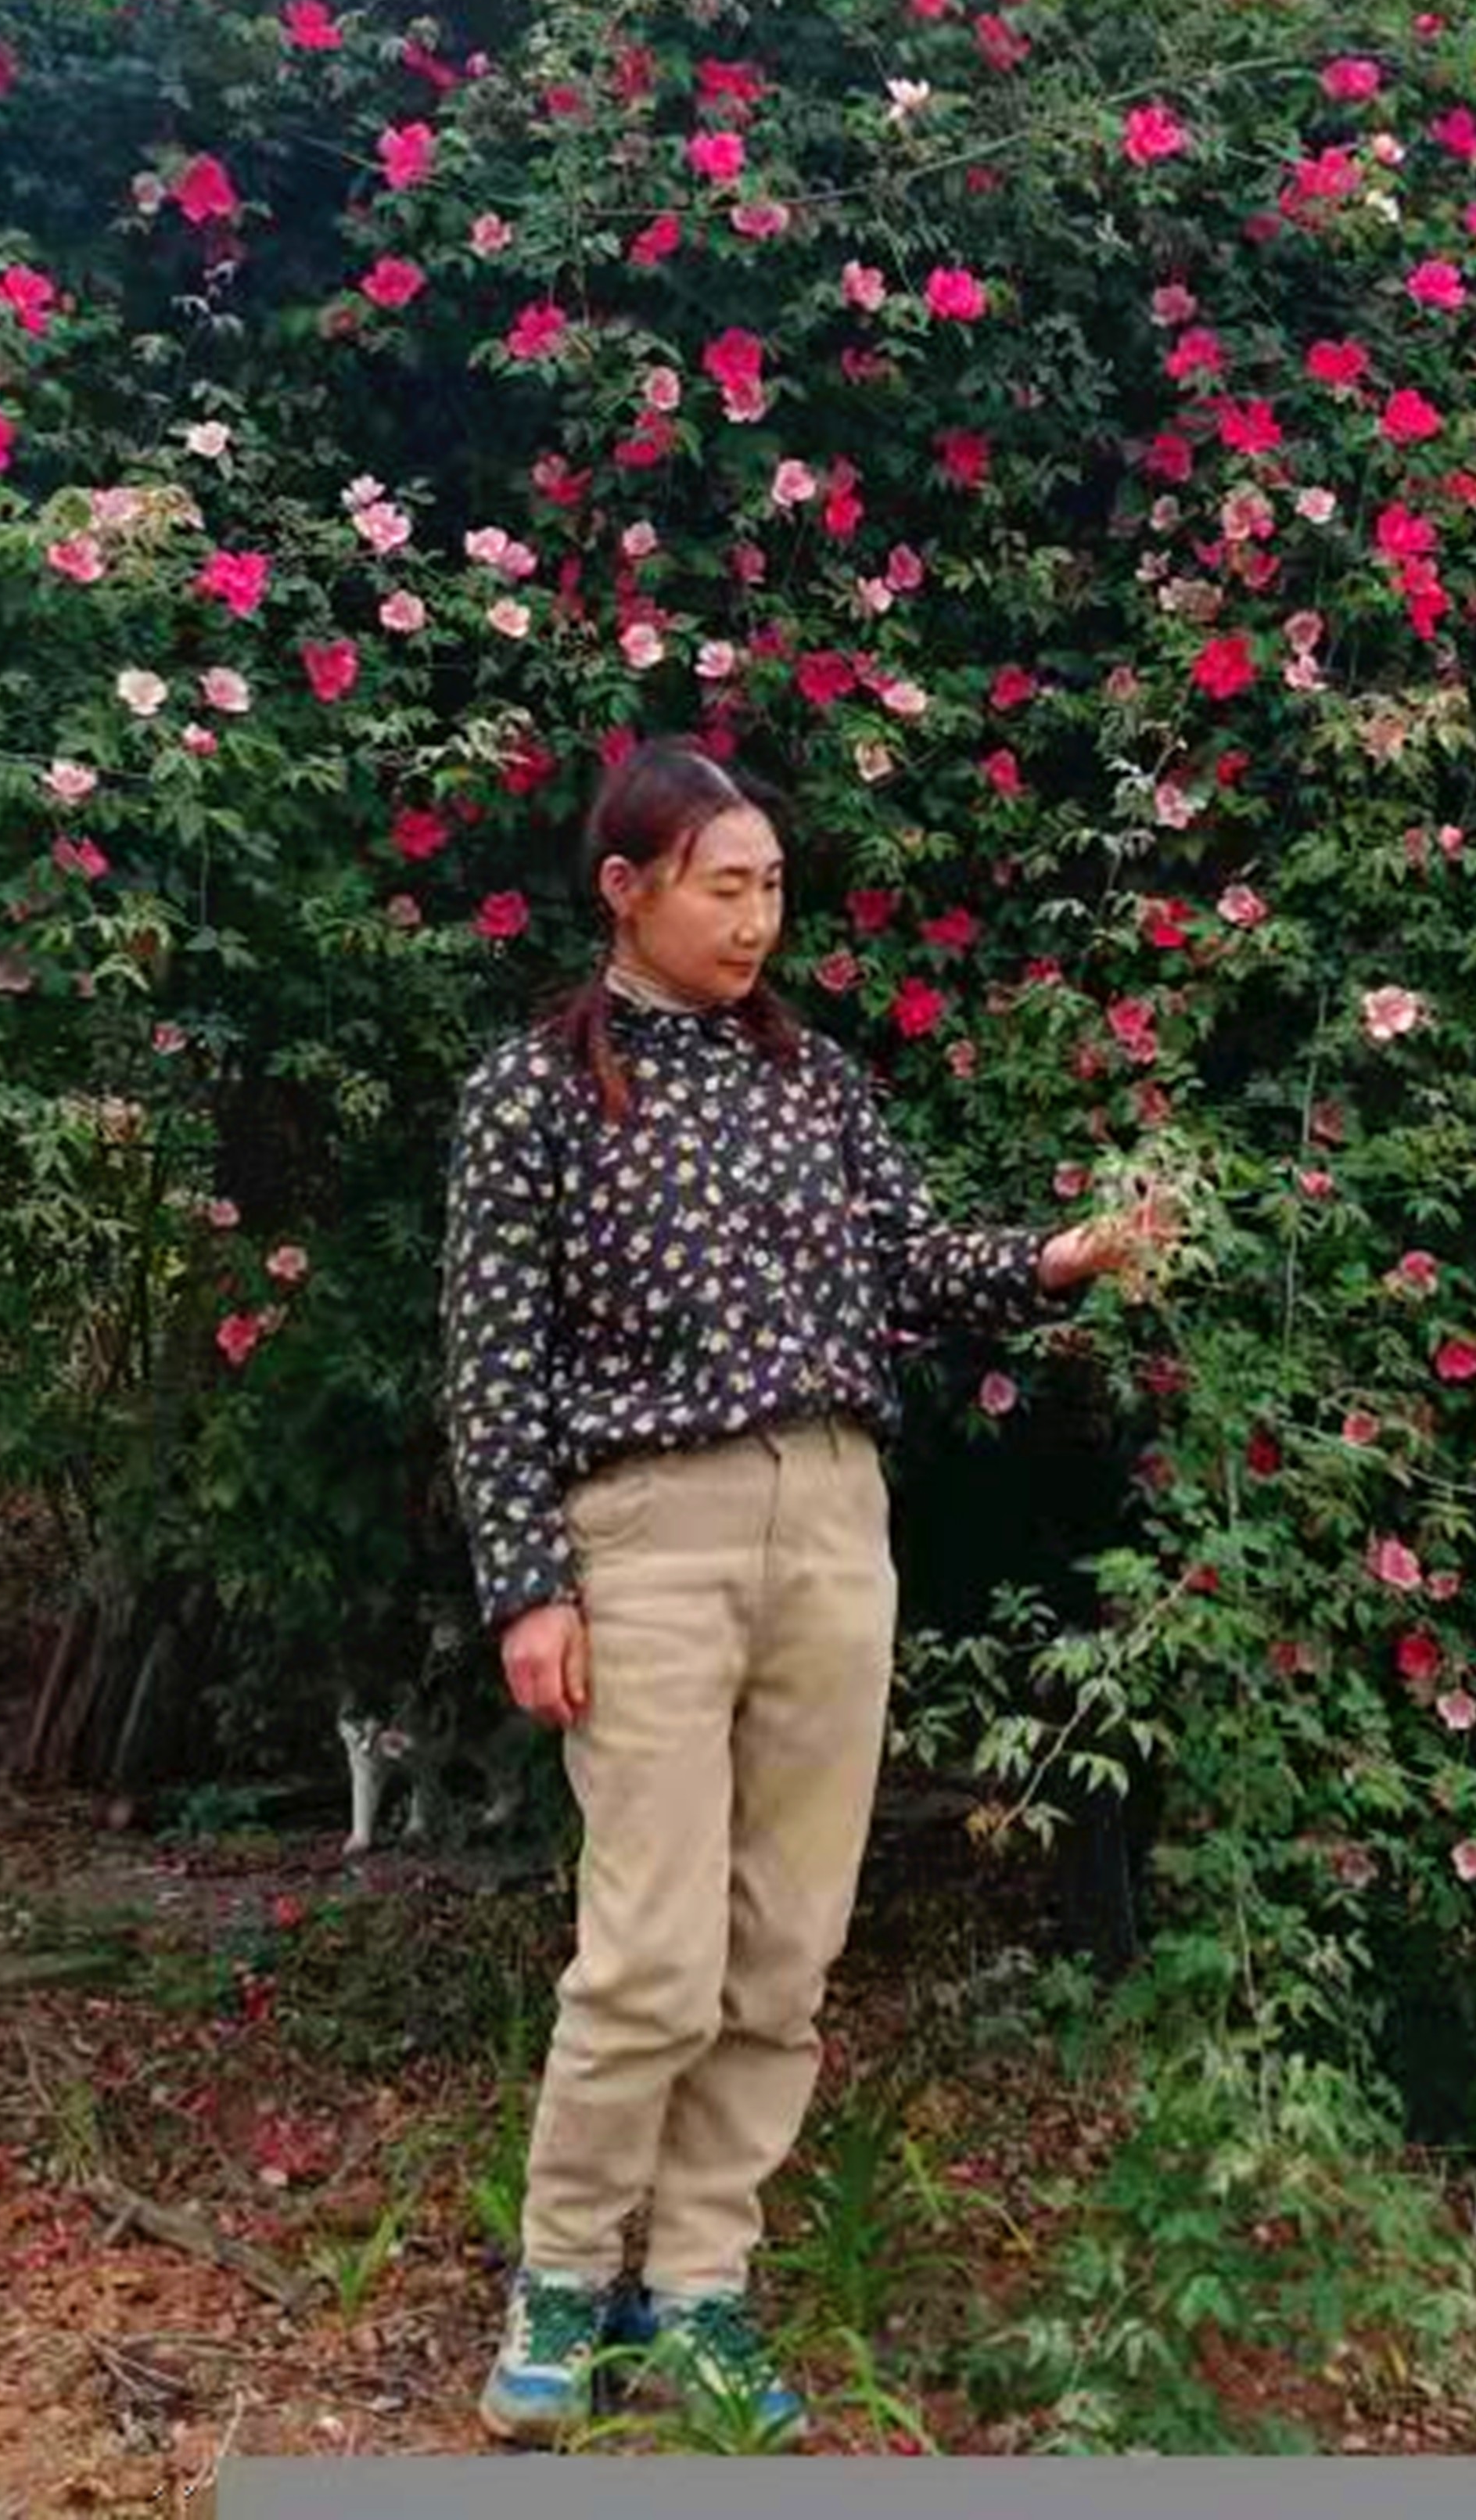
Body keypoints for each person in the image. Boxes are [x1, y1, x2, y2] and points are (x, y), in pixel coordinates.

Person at [439, 737, 1169, 2444]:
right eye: (723, 884)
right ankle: (559, 2280)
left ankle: (694, 2285)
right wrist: (532, 1588)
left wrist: (1050, 1258)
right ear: (625, 888)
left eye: (771, 884)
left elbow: (910, 1262)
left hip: (833, 1520)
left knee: (785, 1946)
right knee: (647, 1954)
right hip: (646, 1532)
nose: (758, 916)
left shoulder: (815, 1079)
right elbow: (493, 1358)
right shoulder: (533, 1087)